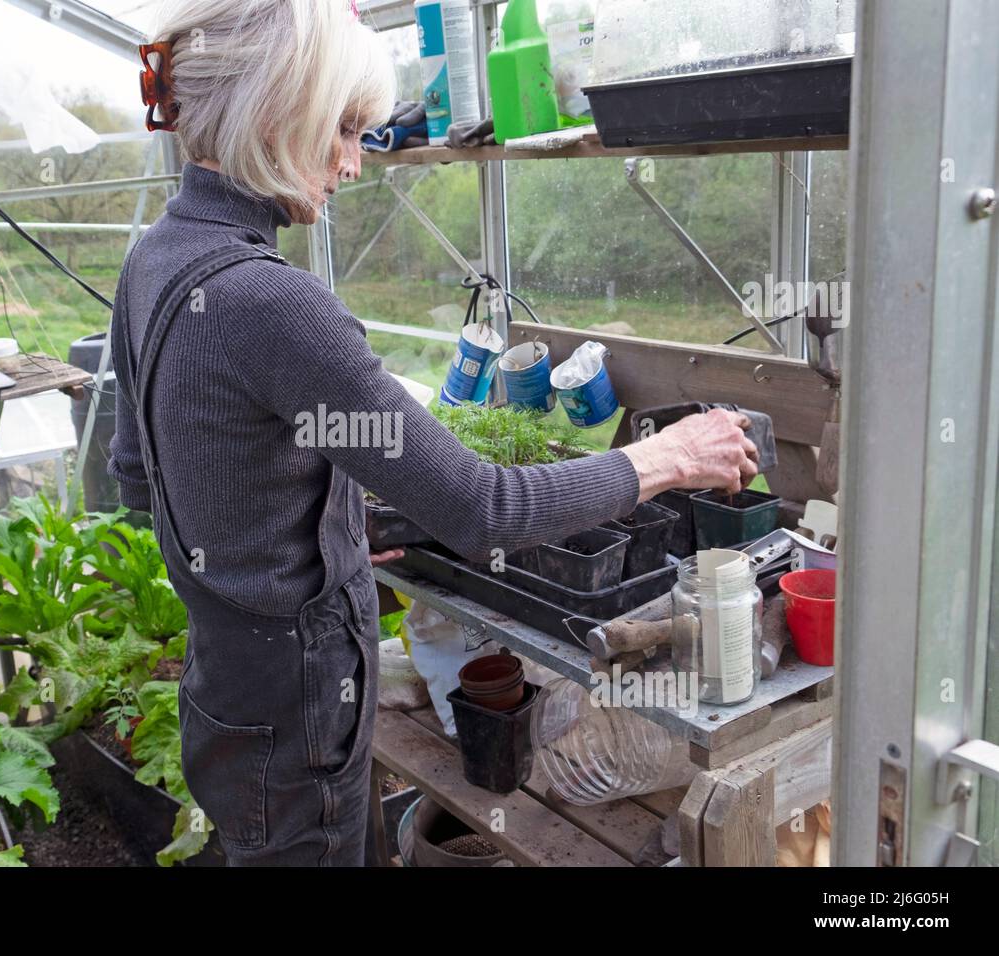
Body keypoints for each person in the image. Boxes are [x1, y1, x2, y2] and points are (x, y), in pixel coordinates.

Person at [107, 0, 758, 867]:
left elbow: (144, 479)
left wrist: (325, 535)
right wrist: (669, 456)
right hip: (303, 712)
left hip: (228, 694)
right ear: (273, 113)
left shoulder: (157, 257)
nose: (353, 163)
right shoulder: (271, 302)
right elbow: (484, 507)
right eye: (342, 129)